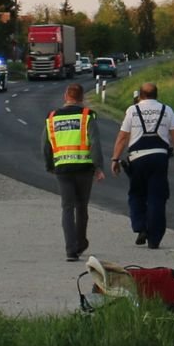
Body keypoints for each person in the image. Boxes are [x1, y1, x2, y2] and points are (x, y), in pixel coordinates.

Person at [109, 82, 174, 249]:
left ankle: (141, 226)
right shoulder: (167, 110)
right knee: (157, 198)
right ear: (156, 94)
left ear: (140, 95)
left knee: (137, 194)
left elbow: (122, 137)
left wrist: (115, 159)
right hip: (159, 157)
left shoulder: (132, 110)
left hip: (137, 158)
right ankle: (154, 239)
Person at [44, 83, 107, 260]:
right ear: (82, 98)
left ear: (66, 96)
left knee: (67, 207)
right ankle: (80, 243)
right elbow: (95, 143)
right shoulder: (87, 116)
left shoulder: (52, 117)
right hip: (84, 168)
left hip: (62, 168)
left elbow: (46, 145)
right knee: (81, 206)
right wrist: (98, 167)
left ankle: (70, 250)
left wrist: (50, 165)